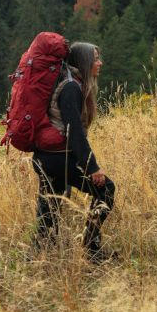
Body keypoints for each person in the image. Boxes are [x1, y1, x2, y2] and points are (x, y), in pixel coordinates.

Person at [32, 41, 116, 261]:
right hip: (57, 159)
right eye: (96, 58)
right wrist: (92, 168)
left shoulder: (69, 82)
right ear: (84, 62)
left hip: (48, 157)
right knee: (105, 189)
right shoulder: (71, 88)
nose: (100, 63)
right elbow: (75, 133)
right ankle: (92, 248)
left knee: (49, 209)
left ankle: (40, 257)